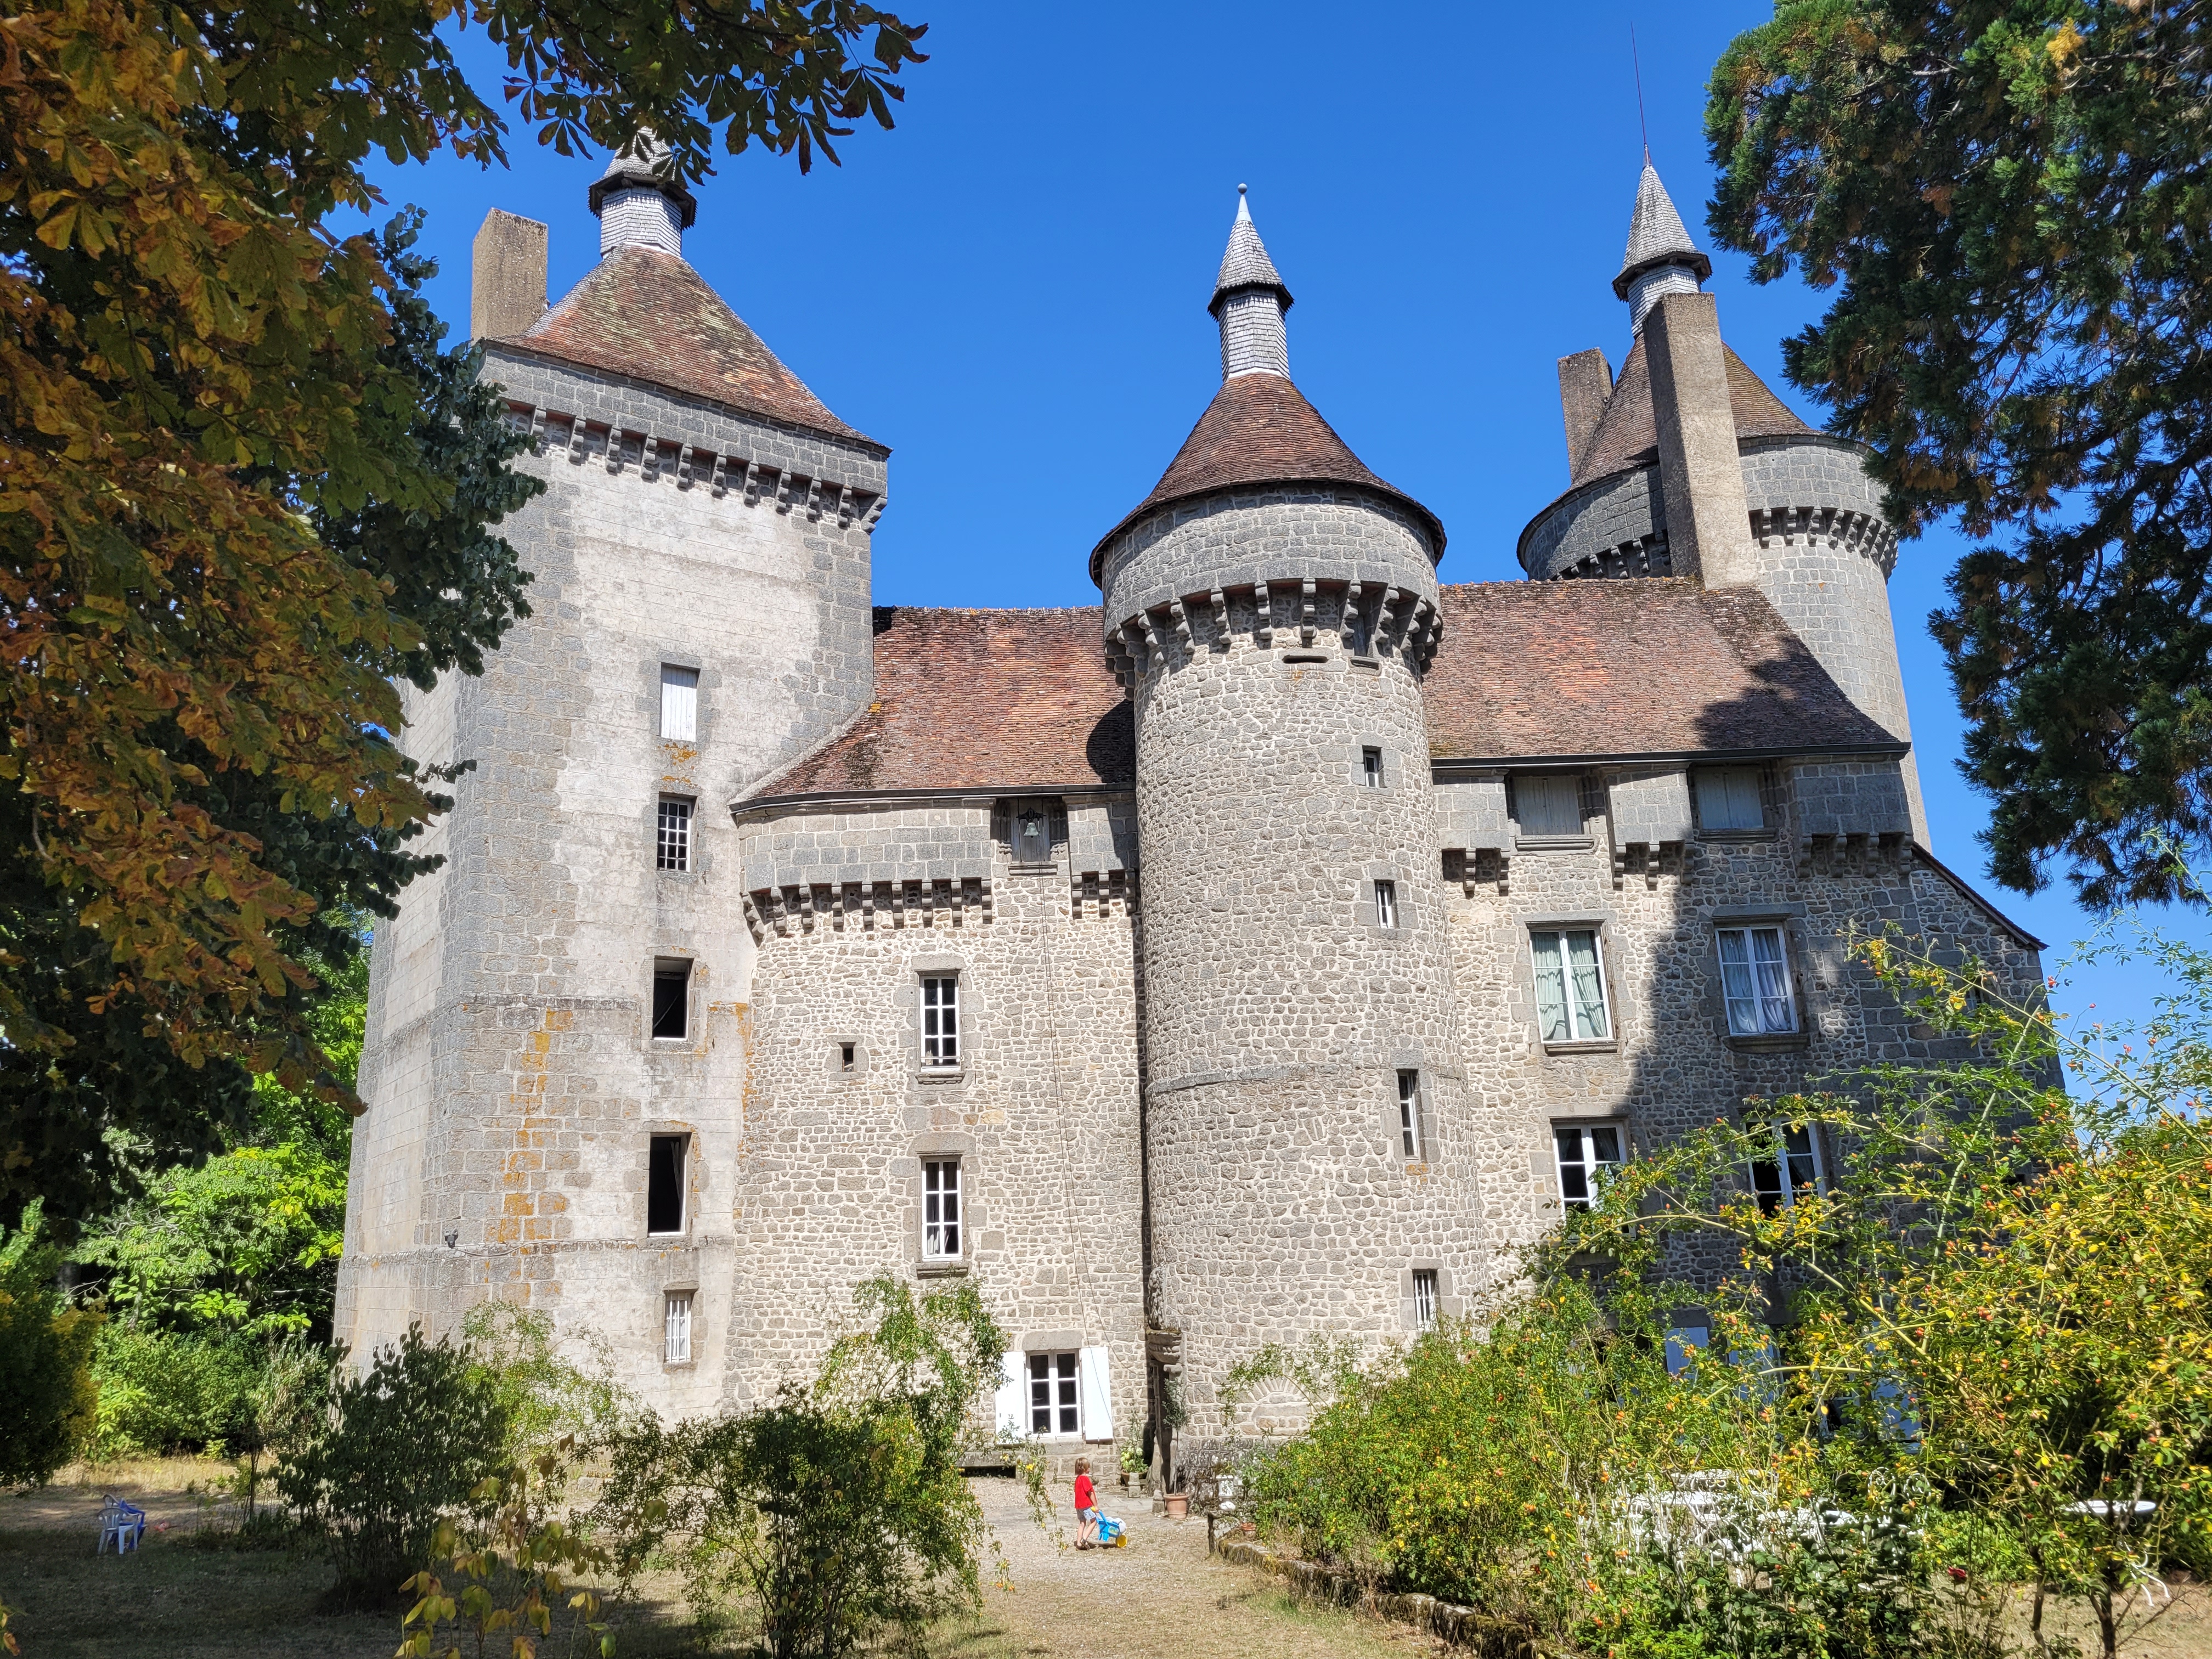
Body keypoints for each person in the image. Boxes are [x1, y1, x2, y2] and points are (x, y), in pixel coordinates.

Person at [1073, 1458, 1098, 1549]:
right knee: (1094, 1521)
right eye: (1089, 1467)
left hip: (1078, 1506)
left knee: (1082, 1523)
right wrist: (1095, 1505)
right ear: (1084, 1469)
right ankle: (1084, 1539)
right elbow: (1090, 1493)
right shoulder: (1085, 1479)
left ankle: (1079, 1544)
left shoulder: (1078, 1479)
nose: (1090, 1469)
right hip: (1086, 1505)